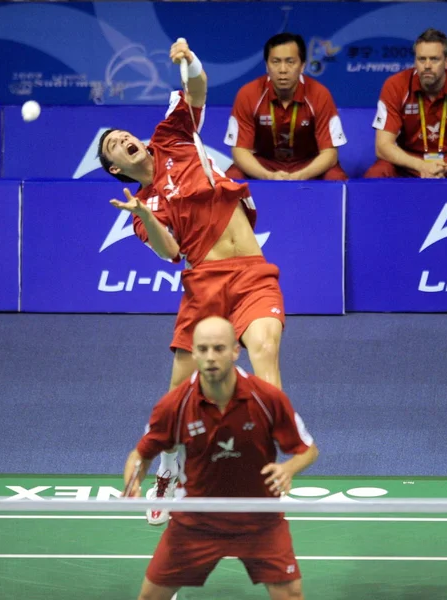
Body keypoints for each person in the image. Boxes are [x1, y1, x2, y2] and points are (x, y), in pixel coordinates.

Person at [98, 39, 285, 526]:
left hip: (250, 272)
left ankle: (266, 463)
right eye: (114, 146)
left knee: (264, 348)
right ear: (117, 167)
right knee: (182, 389)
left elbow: (197, 88)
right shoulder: (140, 210)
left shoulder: (173, 134)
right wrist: (143, 212)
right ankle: (171, 464)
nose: (124, 139)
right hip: (203, 283)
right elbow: (170, 252)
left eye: (122, 134)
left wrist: (191, 62)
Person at [123, 316, 319, 600]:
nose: (210, 357)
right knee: (150, 598)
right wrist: (134, 481)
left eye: (218, 348)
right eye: (202, 349)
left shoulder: (267, 398)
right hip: (196, 520)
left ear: (235, 351)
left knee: (290, 595)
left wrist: (289, 467)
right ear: (193, 352)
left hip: (259, 518)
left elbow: (308, 449)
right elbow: (141, 454)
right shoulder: (174, 405)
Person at [364, 28, 447, 179]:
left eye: (434, 59)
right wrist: (421, 166)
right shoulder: (396, 85)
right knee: (378, 172)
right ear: (415, 61)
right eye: (422, 59)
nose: (427, 65)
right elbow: (382, 146)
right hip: (411, 164)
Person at [224, 32, 348, 181]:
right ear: (266, 65)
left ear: (302, 66)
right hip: (264, 164)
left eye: (290, 62)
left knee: (335, 177)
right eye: (275, 62)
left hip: (307, 164)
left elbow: (330, 153)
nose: (283, 69)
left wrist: (301, 175)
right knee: (232, 177)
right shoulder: (248, 94)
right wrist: (268, 175)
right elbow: (239, 150)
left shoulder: (320, 95)